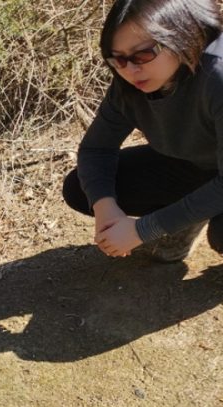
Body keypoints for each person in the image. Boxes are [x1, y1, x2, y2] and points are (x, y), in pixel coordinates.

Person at [63, 0, 223, 264]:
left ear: (183, 35)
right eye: (118, 59)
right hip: (198, 165)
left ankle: (182, 220)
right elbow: (96, 149)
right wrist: (106, 209)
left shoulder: (217, 77)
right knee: (82, 189)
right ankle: (184, 221)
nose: (130, 70)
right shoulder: (130, 82)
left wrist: (143, 229)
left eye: (143, 54)